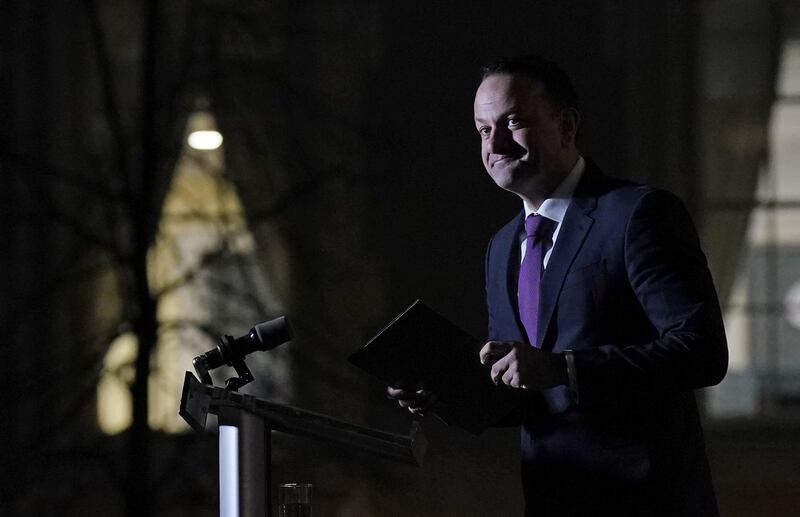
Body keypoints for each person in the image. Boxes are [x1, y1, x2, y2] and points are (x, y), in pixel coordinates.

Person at [388, 55, 728, 517]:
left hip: (647, 503)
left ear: (566, 126)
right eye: (484, 130)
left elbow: (701, 351)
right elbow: (524, 392)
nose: (497, 143)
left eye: (513, 122)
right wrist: (442, 392)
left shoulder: (638, 215)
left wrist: (565, 368)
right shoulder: (501, 247)